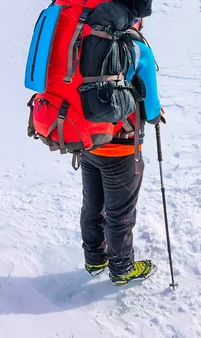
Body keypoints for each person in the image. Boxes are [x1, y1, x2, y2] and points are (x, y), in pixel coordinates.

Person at [81, 16, 162, 285]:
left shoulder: (84, 40)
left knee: (93, 205)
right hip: (121, 149)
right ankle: (122, 269)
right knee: (120, 215)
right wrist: (154, 113)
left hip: (86, 141)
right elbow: (150, 109)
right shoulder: (137, 47)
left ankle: (94, 259)